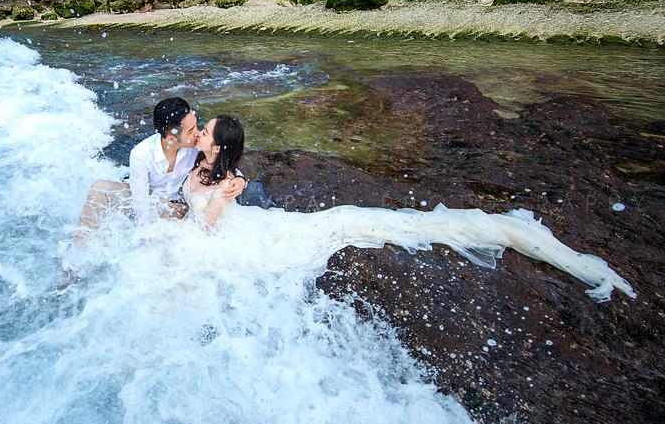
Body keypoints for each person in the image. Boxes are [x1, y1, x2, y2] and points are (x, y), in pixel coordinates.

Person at [182, 114, 634, 302]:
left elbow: (205, 227)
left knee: (343, 222)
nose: (199, 130)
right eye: (201, 128)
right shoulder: (200, 161)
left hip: (240, 237)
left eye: (205, 130)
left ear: (219, 146)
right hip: (244, 221)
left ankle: (491, 232)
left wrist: (221, 200)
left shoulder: (229, 181)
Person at [72, 98, 246, 250]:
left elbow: (221, 163)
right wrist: (146, 230)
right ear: (171, 138)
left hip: (179, 209)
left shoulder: (195, 148)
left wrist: (240, 179)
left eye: (197, 126)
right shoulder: (142, 154)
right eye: (191, 130)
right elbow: (139, 200)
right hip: (150, 202)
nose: (198, 134)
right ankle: (79, 255)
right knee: (99, 189)